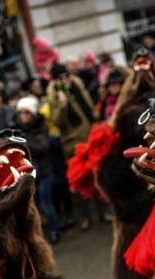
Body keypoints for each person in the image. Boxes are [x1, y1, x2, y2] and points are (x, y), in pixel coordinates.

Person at [46, 63, 100, 231]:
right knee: (78, 181)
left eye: (66, 76)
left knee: (96, 175)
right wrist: (63, 103)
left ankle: (102, 210)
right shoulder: (53, 97)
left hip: (89, 138)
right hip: (72, 144)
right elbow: (57, 122)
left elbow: (90, 108)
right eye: (60, 78)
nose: (65, 80)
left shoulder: (77, 86)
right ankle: (85, 216)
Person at [15, 95, 60, 244]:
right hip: (28, 174)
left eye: (26, 112)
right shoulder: (16, 128)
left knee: (47, 203)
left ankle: (54, 230)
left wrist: (24, 143)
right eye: (21, 112)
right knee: (34, 206)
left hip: (45, 171)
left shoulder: (41, 126)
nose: (23, 116)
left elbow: (43, 147)